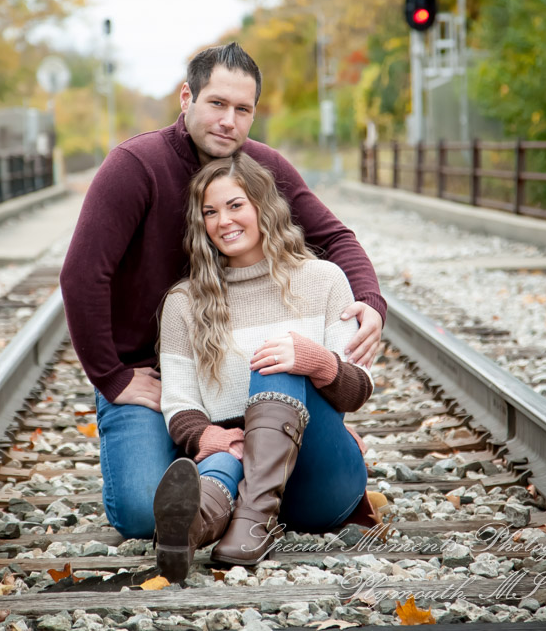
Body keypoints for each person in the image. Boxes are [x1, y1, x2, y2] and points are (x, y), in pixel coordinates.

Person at [60, 42, 386, 539]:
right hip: (150, 378)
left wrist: (371, 303)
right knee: (142, 515)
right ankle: (220, 479)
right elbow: (82, 276)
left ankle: (241, 485)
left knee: (278, 377)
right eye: (217, 104)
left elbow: (335, 238)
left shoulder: (260, 169)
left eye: (243, 109)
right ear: (187, 97)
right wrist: (113, 377)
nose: (228, 121)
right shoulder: (134, 166)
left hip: (234, 373)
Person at [153, 153, 379, 580]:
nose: (223, 221)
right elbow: (179, 405)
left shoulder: (324, 279)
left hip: (321, 477)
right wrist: (209, 435)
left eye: (235, 205)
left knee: (277, 360)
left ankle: (253, 518)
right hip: (238, 462)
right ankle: (187, 530)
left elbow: (359, 389)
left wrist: (313, 360)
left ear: (263, 206)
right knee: (224, 458)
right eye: (210, 212)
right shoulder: (183, 303)